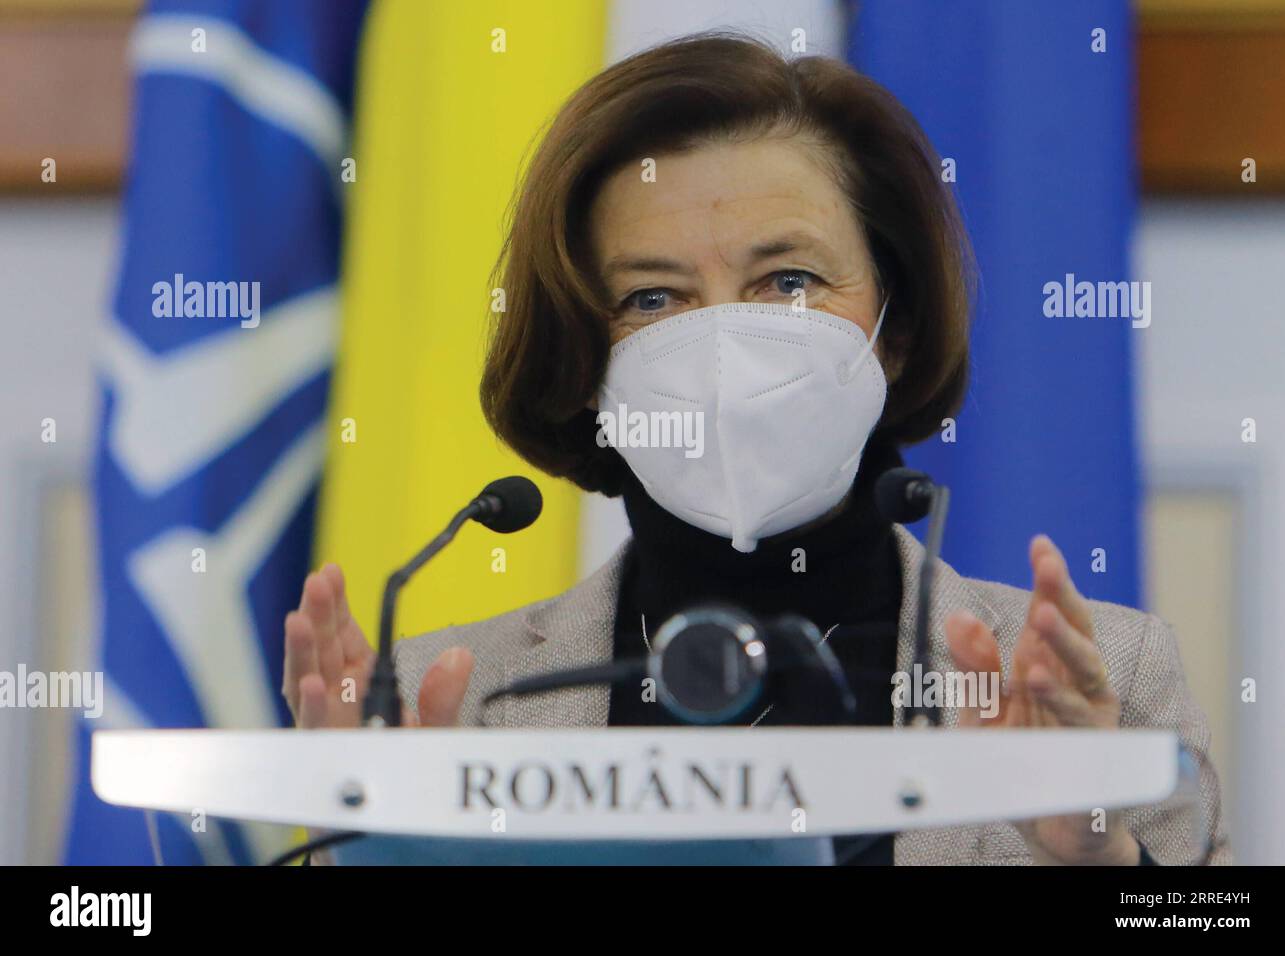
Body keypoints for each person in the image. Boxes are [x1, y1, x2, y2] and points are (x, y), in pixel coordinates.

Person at [282, 33, 1229, 865]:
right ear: (584, 363)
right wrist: (375, 853)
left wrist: (1098, 859)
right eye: (653, 298)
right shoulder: (455, 701)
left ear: (890, 334)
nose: (727, 344)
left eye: (788, 280)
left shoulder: (1101, 678)